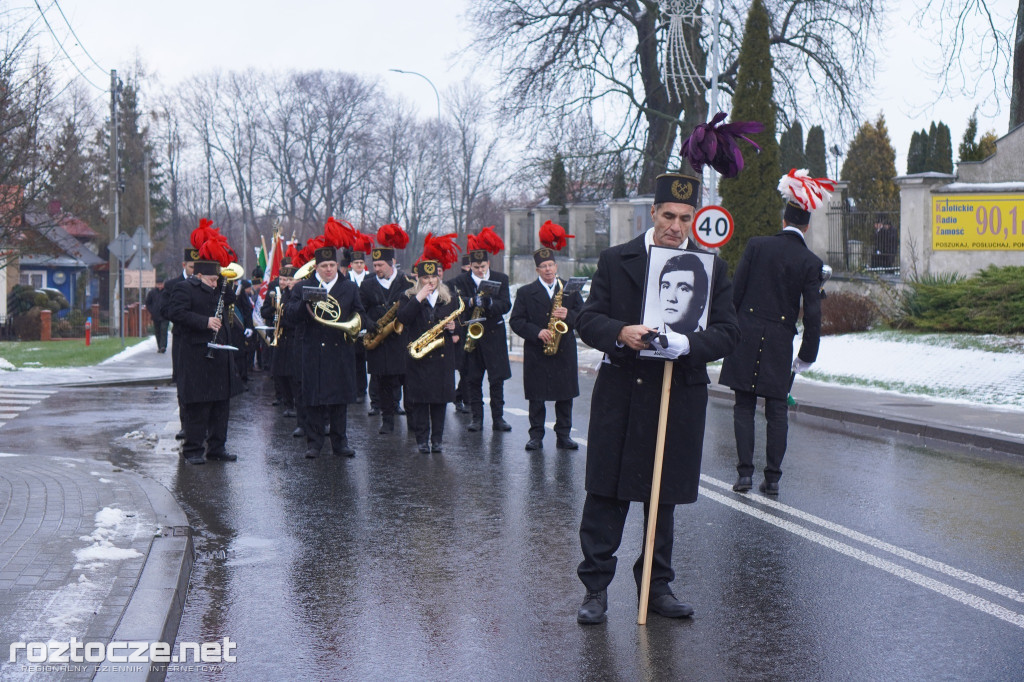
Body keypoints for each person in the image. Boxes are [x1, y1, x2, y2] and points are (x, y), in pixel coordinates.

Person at [574, 172, 739, 625]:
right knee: (606, 493)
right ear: (654, 213)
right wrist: (619, 333)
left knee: (661, 497)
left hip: (677, 393)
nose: (676, 226)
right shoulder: (616, 259)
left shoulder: (710, 267)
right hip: (623, 393)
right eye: (669, 215)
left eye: (686, 218)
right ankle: (595, 589)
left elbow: (728, 332)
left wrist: (689, 346)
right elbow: (588, 320)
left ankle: (656, 585)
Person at [719, 169, 829, 496]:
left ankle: (744, 476)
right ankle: (774, 478)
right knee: (776, 409)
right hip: (780, 340)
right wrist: (807, 354)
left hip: (746, 335)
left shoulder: (756, 246)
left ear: (784, 220)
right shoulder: (811, 262)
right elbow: (812, 313)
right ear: (806, 225)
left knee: (743, 406)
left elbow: (735, 294)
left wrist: (727, 331)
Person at [285, 246, 365, 458]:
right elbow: (290, 315)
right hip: (313, 350)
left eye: (332, 265)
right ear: (316, 267)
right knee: (313, 399)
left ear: (337, 266)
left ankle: (340, 443)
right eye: (324, 266)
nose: (328, 269)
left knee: (339, 401)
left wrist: (357, 324)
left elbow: (359, 313)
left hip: (340, 350)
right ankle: (314, 443)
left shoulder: (349, 287)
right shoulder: (303, 287)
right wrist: (306, 303)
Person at [165, 258, 243, 465]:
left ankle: (217, 448)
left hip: (219, 355)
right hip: (197, 356)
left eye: (217, 279)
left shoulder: (218, 288)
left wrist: (225, 286)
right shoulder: (184, 289)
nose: (214, 283)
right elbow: (175, 313)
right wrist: (205, 322)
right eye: (211, 280)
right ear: (198, 276)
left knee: (220, 406)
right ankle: (193, 449)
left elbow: (230, 300)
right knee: (198, 406)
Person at [509, 244, 584, 451]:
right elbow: (516, 321)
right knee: (536, 397)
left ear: (556, 266)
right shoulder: (526, 292)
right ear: (537, 270)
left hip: (564, 350)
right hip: (537, 351)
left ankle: (564, 435)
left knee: (565, 395)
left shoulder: (570, 289)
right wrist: (536, 332)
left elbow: (584, 315)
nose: (548, 269)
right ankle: (536, 436)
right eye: (543, 266)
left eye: (551, 265)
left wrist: (568, 315)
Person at [450, 233, 513, 433]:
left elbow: (506, 304)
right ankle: (476, 418)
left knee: (497, 380)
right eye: (475, 268)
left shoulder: (500, 278)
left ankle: (498, 418)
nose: (479, 270)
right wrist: (470, 302)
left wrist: (490, 304)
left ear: (488, 263)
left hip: (494, 334)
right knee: (472, 378)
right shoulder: (460, 281)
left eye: (482, 267)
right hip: (472, 335)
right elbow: (455, 304)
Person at [397, 259, 461, 454]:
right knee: (420, 401)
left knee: (440, 401)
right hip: (420, 357)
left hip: (442, 356)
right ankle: (422, 440)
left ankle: (438, 440)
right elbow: (403, 319)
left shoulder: (449, 297)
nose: (431, 281)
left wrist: (454, 327)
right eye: (426, 277)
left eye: (434, 276)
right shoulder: (408, 296)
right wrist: (419, 298)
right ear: (419, 278)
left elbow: (461, 324)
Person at [360, 244, 413, 435]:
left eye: (380, 265)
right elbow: (360, 311)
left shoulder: (407, 283)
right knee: (383, 383)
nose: (377, 269)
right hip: (379, 340)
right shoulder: (366, 285)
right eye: (374, 265)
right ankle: (387, 420)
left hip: (402, 340)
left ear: (393, 263)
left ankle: (413, 422)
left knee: (407, 382)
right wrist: (370, 323)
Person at [160, 247, 199, 440]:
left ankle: (200, 424)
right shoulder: (172, 285)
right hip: (182, 337)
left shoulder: (204, 283)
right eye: (192, 267)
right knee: (183, 381)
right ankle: (185, 424)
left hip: (200, 337)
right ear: (184, 265)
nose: (194, 270)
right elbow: (164, 310)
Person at [657, 253, 709, 334]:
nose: (671, 298)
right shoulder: (644, 339)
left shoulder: (711, 343)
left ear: (701, 298)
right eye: (666, 286)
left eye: (683, 289)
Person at [447, 253, 472, 414]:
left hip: (472, 329)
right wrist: (455, 330)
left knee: (468, 369)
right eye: (469, 267)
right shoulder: (456, 283)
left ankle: (463, 396)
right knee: (462, 367)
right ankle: (459, 397)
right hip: (460, 329)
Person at [349, 250, 370, 402]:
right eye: (356, 263)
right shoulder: (346, 279)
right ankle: (351, 389)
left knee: (362, 359)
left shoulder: (370, 278)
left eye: (361, 263)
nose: (359, 265)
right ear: (351, 264)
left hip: (365, 321)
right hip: (350, 323)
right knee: (352, 358)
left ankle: (362, 390)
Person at [145, 282, 167, 353]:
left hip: (165, 315)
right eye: (158, 284)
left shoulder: (167, 292)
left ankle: (163, 346)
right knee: (157, 331)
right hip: (156, 315)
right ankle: (159, 346)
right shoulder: (152, 293)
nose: (160, 286)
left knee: (163, 330)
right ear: (156, 284)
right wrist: (152, 310)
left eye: (161, 284)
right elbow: (148, 303)